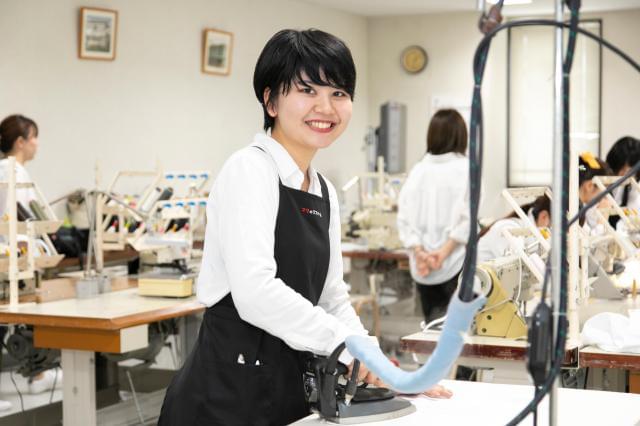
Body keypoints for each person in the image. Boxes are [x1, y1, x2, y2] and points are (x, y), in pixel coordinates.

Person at [158, 29, 450, 426]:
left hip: (288, 389)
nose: (325, 107)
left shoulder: (324, 189)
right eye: (307, 90)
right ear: (270, 99)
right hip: (225, 395)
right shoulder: (250, 170)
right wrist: (349, 350)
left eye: (339, 93)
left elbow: (332, 297)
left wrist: (379, 364)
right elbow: (255, 292)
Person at [0, 115, 62, 403]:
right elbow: (25, 221)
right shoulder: (14, 172)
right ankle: (37, 375)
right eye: (34, 137)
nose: (37, 143)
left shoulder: (9, 170)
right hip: (13, 256)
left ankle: (38, 374)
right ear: (21, 141)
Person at [397, 109, 470, 325]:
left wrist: (420, 253)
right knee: (458, 335)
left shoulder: (418, 170)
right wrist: (443, 253)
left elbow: (403, 217)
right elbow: (468, 217)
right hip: (455, 263)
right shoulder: (467, 169)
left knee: (431, 328)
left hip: (422, 266)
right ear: (461, 135)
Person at [477, 195, 551, 262]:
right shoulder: (508, 227)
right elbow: (518, 263)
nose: (550, 230)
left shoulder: (530, 232)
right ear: (543, 216)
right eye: (550, 225)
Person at [606, 136, 640, 228]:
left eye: (629, 171)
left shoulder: (633, 188)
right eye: (621, 169)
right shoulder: (603, 182)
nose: (623, 174)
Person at [579, 152, 613, 233]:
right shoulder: (571, 209)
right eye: (603, 190)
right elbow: (590, 244)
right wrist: (602, 219)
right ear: (590, 186)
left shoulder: (580, 206)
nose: (604, 198)